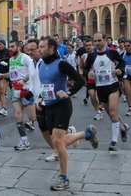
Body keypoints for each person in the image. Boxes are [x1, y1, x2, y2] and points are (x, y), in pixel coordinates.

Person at [37, 36, 98, 191]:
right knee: (59, 143)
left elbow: (79, 80)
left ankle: (64, 178)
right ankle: (86, 134)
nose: (39, 49)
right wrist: (40, 98)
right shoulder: (41, 64)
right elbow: (45, 85)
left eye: (42, 47)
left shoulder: (61, 64)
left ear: (51, 48)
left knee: (57, 142)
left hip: (62, 105)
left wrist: (69, 93)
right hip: (48, 106)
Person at [83, 32, 128, 151]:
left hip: (113, 85)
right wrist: (89, 73)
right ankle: (123, 128)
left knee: (113, 112)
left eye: (99, 40)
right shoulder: (91, 56)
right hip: (100, 87)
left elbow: (122, 62)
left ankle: (114, 142)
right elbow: (85, 69)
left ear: (104, 40)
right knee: (110, 114)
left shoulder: (111, 53)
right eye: (95, 41)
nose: (97, 43)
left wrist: (119, 69)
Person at [0, 40, 36, 150]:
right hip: (16, 91)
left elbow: (33, 71)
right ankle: (24, 140)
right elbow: (12, 74)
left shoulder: (25, 58)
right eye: (9, 47)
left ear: (19, 47)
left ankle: (65, 130)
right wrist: (2, 75)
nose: (10, 49)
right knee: (17, 115)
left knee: (33, 117)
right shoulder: (11, 60)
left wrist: (24, 80)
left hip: (27, 91)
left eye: (12, 46)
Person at [79, 39, 103, 120]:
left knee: (102, 97)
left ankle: (102, 105)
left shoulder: (98, 54)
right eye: (86, 46)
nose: (88, 47)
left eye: (90, 45)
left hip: (100, 79)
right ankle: (98, 112)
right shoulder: (84, 56)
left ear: (93, 46)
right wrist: (82, 72)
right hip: (90, 78)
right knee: (92, 95)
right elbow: (81, 67)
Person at [0, 39, 10, 116]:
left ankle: (21, 104)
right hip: (2, 74)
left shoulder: (8, 52)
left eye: (1, 44)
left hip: (11, 73)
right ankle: (4, 108)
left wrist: (7, 64)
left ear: (4, 45)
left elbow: (13, 59)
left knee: (16, 91)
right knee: (1, 91)